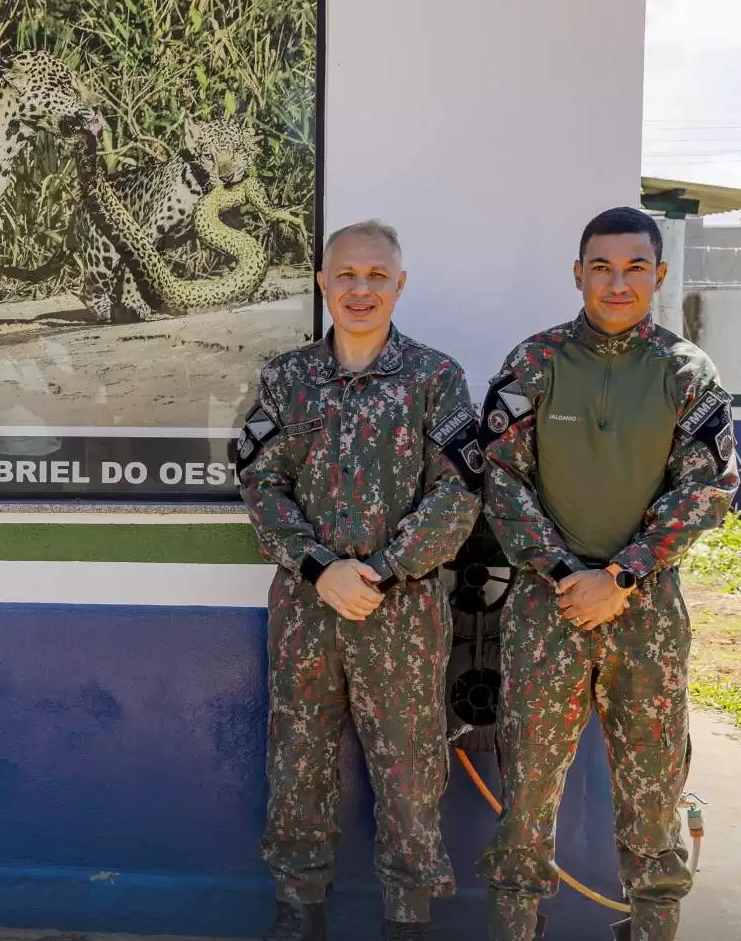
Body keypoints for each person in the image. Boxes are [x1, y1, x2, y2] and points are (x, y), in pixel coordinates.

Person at [475, 207, 739, 941]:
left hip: (646, 614)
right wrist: (565, 572)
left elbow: (708, 488)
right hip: (546, 608)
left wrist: (620, 576)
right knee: (527, 793)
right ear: (578, 274)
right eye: (601, 266)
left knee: (654, 795)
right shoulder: (536, 363)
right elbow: (499, 479)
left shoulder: (686, 371)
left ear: (656, 274)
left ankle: (653, 930)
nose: (616, 282)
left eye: (633, 267)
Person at [237, 220, 482, 941]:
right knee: (299, 759)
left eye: (378, 277)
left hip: (402, 610)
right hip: (308, 608)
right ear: (323, 283)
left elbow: (459, 492)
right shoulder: (287, 379)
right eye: (347, 275)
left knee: (410, 768)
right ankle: (297, 908)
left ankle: (408, 915)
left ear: (400, 286)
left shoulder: (437, 380)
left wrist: (376, 569)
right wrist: (320, 567)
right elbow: (260, 483)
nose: (361, 289)